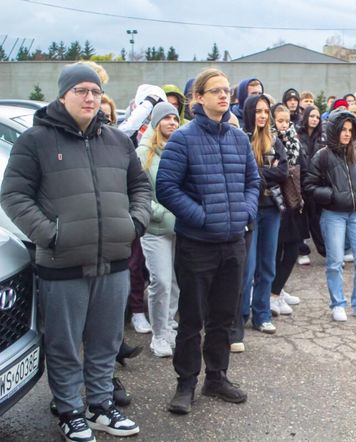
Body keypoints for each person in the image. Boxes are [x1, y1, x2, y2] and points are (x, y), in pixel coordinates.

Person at [1, 63, 150, 440]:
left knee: (104, 341)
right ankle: (70, 410)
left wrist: (134, 225)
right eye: (81, 90)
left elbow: (140, 187)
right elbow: (14, 194)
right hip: (62, 263)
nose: (89, 97)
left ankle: (101, 406)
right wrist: (49, 234)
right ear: (63, 94)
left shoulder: (117, 140)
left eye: (95, 91)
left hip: (113, 260)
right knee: (64, 344)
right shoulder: (36, 140)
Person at [156, 68, 260, 414]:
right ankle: (185, 383)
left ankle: (216, 377)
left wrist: (244, 214)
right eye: (214, 90)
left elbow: (252, 182)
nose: (223, 95)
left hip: (233, 243)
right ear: (197, 98)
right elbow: (166, 188)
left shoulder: (238, 138)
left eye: (226, 90)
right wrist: (202, 218)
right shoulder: (183, 139)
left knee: (224, 316)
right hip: (196, 244)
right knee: (191, 318)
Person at [303, 111, 356, 321]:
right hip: (333, 215)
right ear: (335, 131)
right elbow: (309, 185)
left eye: (350, 130)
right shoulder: (322, 156)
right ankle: (337, 304)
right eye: (343, 129)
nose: (347, 134)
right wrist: (333, 196)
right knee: (335, 261)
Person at [240, 95, 288, 334]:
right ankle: (240, 316)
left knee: (267, 264)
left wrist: (259, 174)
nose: (262, 115)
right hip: (248, 210)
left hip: (271, 209)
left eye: (265, 111)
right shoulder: (239, 137)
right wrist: (266, 171)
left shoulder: (275, 140)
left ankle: (262, 314)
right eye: (258, 111)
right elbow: (243, 173)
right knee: (247, 267)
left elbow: (284, 171)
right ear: (249, 112)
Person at [136, 102, 181, 357]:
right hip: (155, 228)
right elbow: (138, 193)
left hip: (180, 228)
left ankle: (170, 326)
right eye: (166, 119)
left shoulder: (179, 149)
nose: (171, 123)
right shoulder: (144, 152)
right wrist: (164, 213)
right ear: (156, 123)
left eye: (175, 119)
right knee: (161, 282)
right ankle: (159, 335)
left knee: (175, 282)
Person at [269, 104, 305, 315]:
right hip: (274, 200)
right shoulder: (269, 140)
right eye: (279, 120)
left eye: (286, 120)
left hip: (292, 200)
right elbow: (276, 172)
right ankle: (273, 292)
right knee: (276, 251)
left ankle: (278, 289)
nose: (284, 124)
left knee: (291, 249)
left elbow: (297, 164)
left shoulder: (293, 139)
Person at [297, 105, 326, 257]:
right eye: (312, 116)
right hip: (299, 183)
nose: (315, 120)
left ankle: (325, 251)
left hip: (316, 183)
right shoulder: (296, 134)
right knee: (300, 219)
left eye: (317, 117)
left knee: (316, 219)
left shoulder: (322, 136)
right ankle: (302, 251)